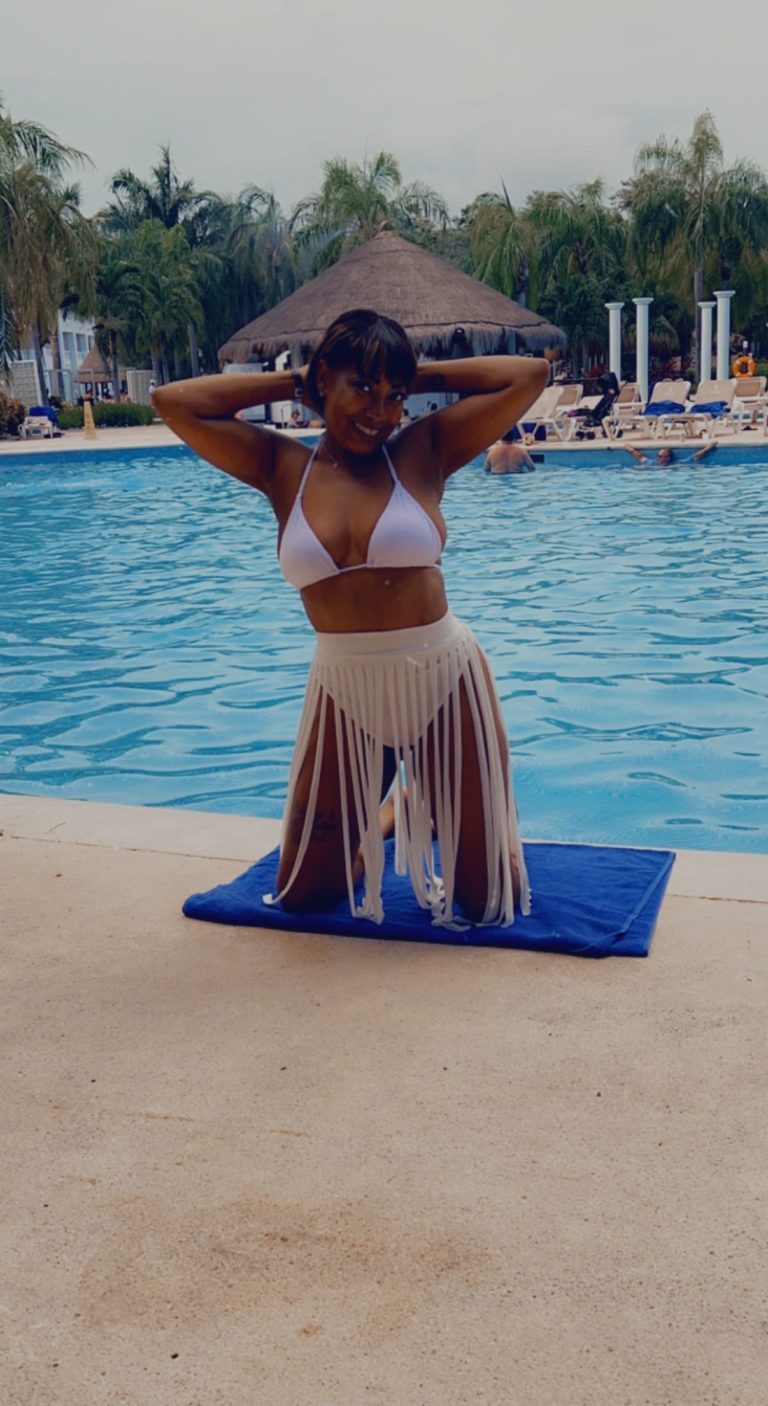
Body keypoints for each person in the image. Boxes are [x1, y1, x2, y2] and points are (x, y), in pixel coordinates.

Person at [153, 308, 548, 928]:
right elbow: (174, 402)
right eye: (362, 388)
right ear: (324, 381)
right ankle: (394, 815)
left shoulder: (423, 450)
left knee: (488, 900)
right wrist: (294, 383)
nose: (380, 412)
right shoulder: (281, 467)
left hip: (443, 681)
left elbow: (528, 375)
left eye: (395, 396)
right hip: (345, 689)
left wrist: (409, 371)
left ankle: (456, 810)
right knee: (304, 894)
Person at [619, 441, 717, 468]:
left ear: (669, 458)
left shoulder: (677, 463)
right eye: (660, 456)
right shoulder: (653, 463)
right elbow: (640, 457)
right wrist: (630, 449)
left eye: (664, 456)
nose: (662, 458)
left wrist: (708, 447)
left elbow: (695, 457)